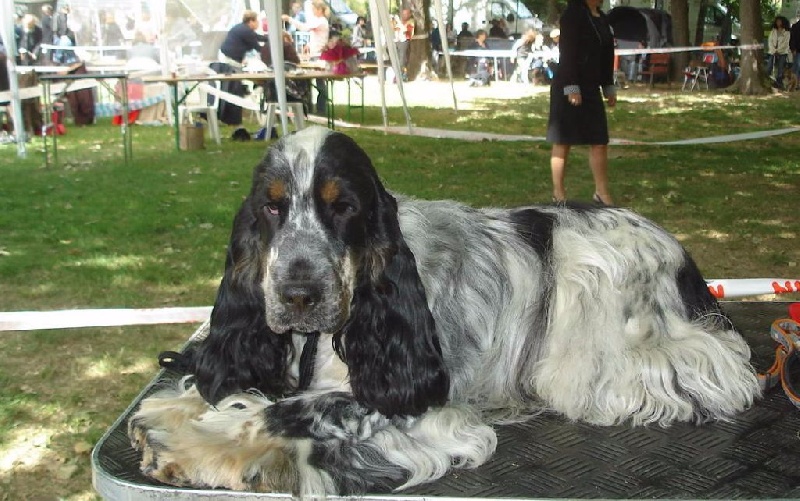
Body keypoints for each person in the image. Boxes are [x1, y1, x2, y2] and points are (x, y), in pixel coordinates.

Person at [546, 0, 616, 205]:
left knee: (599, 141)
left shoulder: (602, 18)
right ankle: (558, 194)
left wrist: (608, 86)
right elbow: (567, 53)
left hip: (591, 87)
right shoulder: (572, 15)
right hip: (568, 85)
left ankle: (601, 194)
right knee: (563, 141)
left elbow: (607, 55)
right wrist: (572, 87)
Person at [282, 1, 330, 115]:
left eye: (313, 9)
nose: (312, 12)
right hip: (314, 54)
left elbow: (304, 28)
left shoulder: (321, 21)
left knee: (320, 84)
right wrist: (309, 45)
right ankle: (311, 107)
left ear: (319, 10)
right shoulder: (318, 21)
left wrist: (289, 19)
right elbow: (317, 37)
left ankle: (321, 109)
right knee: (310, 82)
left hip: (318, 56)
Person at [766, 16, 791, 88]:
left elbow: (785, 44)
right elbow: (770, 41)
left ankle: (779, 84)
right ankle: (767, 81)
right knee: (769, 66)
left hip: (783, 52)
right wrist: (774, 50)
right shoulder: (773, 31)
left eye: (779, 21)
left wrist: (778, 51)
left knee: (780, 68)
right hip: (772, 52)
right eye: (777, 21)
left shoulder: (787, 32)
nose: (778, 23)